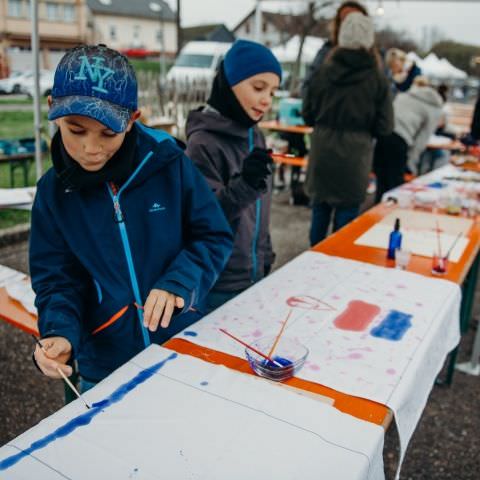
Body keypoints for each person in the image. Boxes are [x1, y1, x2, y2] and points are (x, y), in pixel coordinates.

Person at [30, 45, 233, 391]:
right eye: (75, 130)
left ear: (133, 119)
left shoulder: (170, 164)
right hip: (101, 363)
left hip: (179, 346)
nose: (91, 148)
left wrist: (179, 281)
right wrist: (60, 332)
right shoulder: (52, 194)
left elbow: (213, 236)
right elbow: (56, 280)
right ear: (53, 110)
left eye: (109, 133)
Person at [185, 40, 282, 312]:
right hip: (219, 278)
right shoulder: (203, 143)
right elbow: (203, 215)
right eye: (258, 87)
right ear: (229, 83)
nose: (266, 99)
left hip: (255, 271)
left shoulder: (256, 135)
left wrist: (265, 254)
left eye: (273, 92)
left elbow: (262, 206)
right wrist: (245, 185)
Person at [302, 12, 393, 245]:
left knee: (319, 213)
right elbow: (385, 126)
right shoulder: (377, 78)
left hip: (322, 148)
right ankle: (336, 271)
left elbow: (307, 113)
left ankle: (313, 264)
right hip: (356, 155)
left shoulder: (323, 71)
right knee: (346, 221)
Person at [374, 76, 443, 203]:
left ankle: (375, 216)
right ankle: (388, 218)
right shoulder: (435, 108)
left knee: (382, 183)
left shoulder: (405, 95)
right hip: (400, 141)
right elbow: (422, 139)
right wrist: (411, 163)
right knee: (395, 189)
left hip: (383, 136)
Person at [301, 0, 368, 98]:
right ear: (338, 24)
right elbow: (307, 89)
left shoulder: (373, 60)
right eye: (345, 20)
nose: (350, 25)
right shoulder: (326, 52)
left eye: (356, 20)